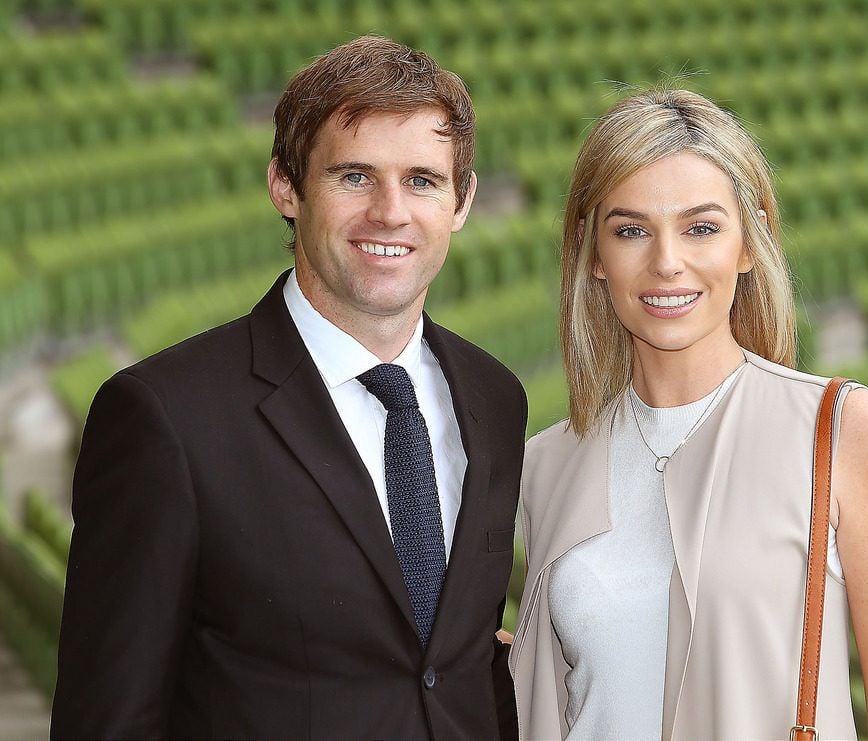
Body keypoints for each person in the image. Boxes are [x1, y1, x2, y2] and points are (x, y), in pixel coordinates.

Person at [51, 36, 525, 739]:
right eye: (355, 176)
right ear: (285, 185)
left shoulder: (495, 397)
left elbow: (451, 666)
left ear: (462, 201)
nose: (392, 211)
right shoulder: (165, 419)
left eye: (422, 180)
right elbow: (108, 719)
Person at [509, 89, 868, 739]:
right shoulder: (547, 463)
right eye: (631, 230)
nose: (666, 262)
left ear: (749, 240)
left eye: (701, 227)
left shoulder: (842, 429)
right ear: (593, 253)